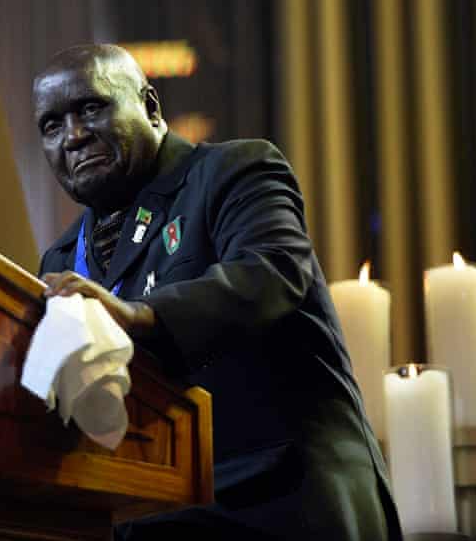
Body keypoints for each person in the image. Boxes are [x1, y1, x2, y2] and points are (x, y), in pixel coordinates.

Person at [35, 44, 402, 540]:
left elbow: (270, 273)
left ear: (150, 106)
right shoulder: (60, 260)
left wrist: (138, 315)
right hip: (155, 511)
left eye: (91, 108)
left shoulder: (234, 171)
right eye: (52, 125)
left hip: (285, 500)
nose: (74, 136)